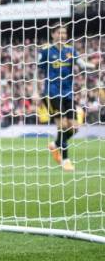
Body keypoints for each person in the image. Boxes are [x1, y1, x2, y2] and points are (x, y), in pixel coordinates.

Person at [39, 23, 95, 172]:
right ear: (53, 35)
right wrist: (33, 90)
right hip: (51, 94)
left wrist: (93, 65)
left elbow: (81, 64)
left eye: (64, 33)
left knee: (75, 128)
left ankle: (55, 144)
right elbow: (37, 71)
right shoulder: (46, 51)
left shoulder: (70, 50)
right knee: (62, 126)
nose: (62, 35)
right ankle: (65, 160)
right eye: (59, 33)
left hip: (68, 94)